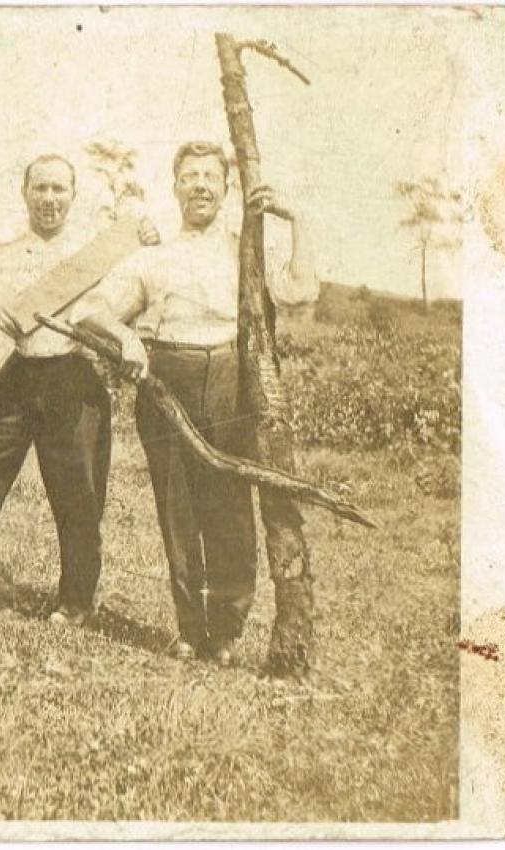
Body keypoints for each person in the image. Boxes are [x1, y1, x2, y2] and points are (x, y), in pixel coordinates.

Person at [71, 141, 319, 664]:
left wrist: (296, 220)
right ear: (176, 186)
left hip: (232, 377)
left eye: (210, 176)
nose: (200, 185)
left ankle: (226, 630)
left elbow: (300, 291)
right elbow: (89, 311)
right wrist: (128, 339)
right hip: (166, 375)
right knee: (177, 505)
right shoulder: (155, 256)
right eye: (190, 176)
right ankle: (189, 627)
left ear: (228, 188)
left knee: (229, 504)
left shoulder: (245, 249)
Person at [0, 154, 159, 626]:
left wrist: (127, 334)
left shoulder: (91, 251)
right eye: (41, 188)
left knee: (78, 494)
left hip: (71, 379)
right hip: (6, 376)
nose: (49, 199)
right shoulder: (0, 243)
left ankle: (76, 602)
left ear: (73, 197)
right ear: (25, 193)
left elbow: (112, 306)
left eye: (59, 190)